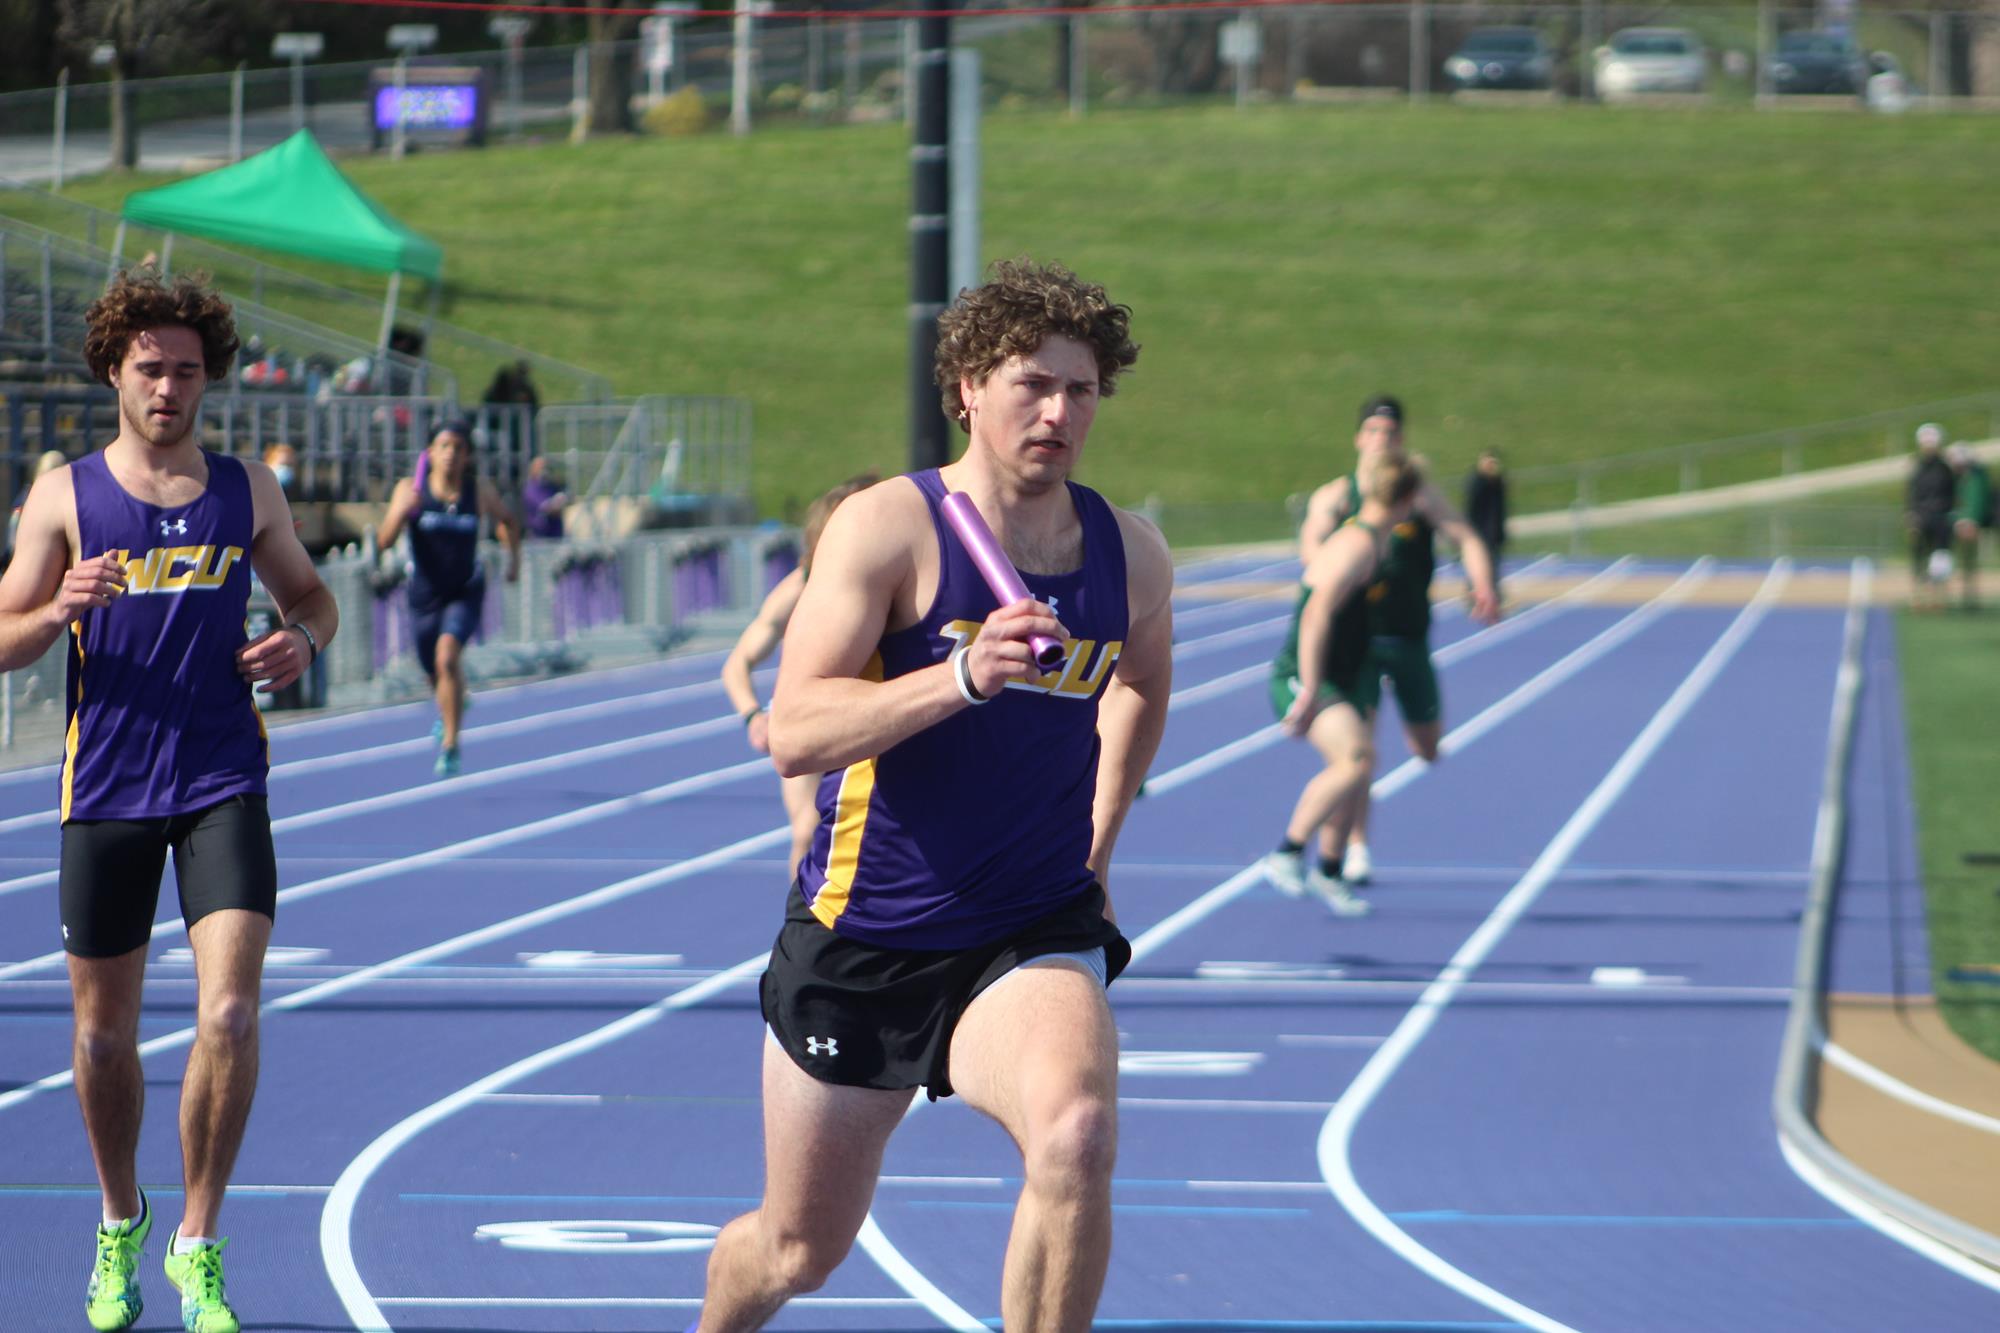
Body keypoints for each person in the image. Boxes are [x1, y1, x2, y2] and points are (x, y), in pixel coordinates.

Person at [693, 260, 1174, 1333]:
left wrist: (1097, 842)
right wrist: (957, 677)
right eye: (1029, 383)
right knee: (797, 1248)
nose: (1057, 411)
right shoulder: (887, 528)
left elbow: (1141, 684)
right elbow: (796, 729)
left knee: (1076, 1133)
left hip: (1028, 924)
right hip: (868, 934)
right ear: (964, 386)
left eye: (1081, 390)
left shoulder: (1128, 554)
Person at [0, 269, 337, 1333]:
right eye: (151, 368)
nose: (169, 389)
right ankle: (118, 1222)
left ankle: (198, 1239)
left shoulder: (247, 490)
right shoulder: (62, 494)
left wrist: (304, 639)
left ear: (208, 381)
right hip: (104, 786)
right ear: (114, 369)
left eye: (188, 371)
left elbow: (315, 597)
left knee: (230, 1010)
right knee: (103, 1043)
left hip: (219, 778)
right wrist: (57, 609)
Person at [1295, 395, 1498, 885]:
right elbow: (1311, 558)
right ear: (1359, 438)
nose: (1382, 440)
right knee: (1360, 751)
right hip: (1358, 642)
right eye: (1374, 431)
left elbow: (1467, 537)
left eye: (1391, 433)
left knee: (1427, 747)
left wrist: (1483, 585)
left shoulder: (1418, 495)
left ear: (1401, 440)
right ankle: (1352, 850)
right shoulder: (1336, 497)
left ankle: (1342, 848)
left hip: (1408, 637)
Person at [1265, 453, 1424, 917]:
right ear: (1409, 500)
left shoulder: (1371, 538)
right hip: (1308, 671)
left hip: (1345, 672)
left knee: (1359, 763)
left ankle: (1329, 870)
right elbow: (1315, 612)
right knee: (1354, 761)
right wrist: (1311, 687)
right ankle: (1288, 853)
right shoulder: (1357, 543)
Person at [719, 474, 877, 879]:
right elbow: (737, 663)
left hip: (868, 716)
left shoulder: (898, 579)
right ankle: (804, 926)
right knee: (806, 831)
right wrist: (753, 715)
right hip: (810, 717)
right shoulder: (800, 587)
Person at [377, 421, 520, 776]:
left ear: (467, 455)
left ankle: (451, 744)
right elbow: (383, 540)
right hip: (424, 595)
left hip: (465, 591)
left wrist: (513, 558)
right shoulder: (411, 489)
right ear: (430, 453)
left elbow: (507, 521)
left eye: (458, 447)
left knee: (447, 659)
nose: (452, 454)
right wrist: (401, 511)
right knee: (434, 671)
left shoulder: (478, 490)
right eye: (444, 446)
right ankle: (452, 703)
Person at [1905, 423, 1956, 612]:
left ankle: (1938, 596)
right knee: (1919, 557)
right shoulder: (1917, 466)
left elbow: (1952, 492)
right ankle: (1917, 595)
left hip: (1941, 517)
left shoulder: (1945, 467)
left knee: (1940, 558)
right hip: (1921, 516)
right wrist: (1911, 514)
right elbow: (1912, 493)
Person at [1947, 443, 1991, 610]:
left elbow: (1976, 502)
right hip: (1958, 523)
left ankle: (1970, 596)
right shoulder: (1958, 478)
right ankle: (1964, 595)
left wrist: (1970, 521)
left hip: (1969, 526)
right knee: (1960, 562)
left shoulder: (1975, 477)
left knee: (1970, 562)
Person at [1463, 447, 1507, 606]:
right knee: (1477, 565)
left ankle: (1494, 597)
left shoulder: (1498, 482)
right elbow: (1470, 508)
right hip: (1478, 532)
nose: (1491, 465)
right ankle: (1473, 597)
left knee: (1494, 566)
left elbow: (1501, 510)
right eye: (1488, 462)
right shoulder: (1476, 481)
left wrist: (1501, 533)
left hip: (1493, 533)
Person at [518, 455, 568, 540]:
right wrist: (558, 503)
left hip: (556, 537)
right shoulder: (531, 489)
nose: (545, 471)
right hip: (539, 538)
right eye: (542, 468)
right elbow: (547, 508)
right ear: (533, 469)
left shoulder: (552, 487)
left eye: (547, 468)